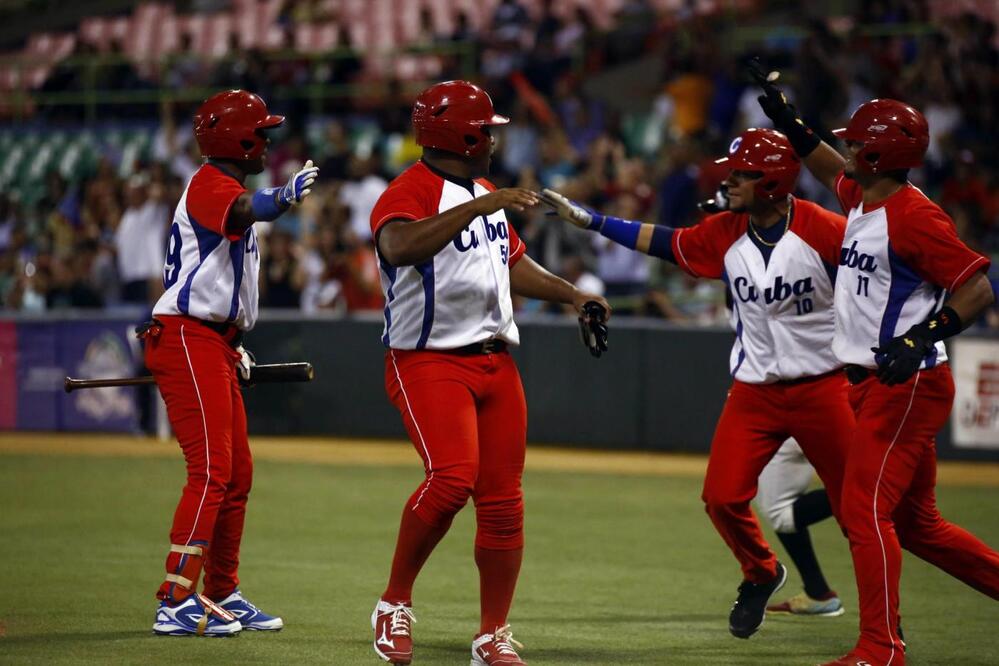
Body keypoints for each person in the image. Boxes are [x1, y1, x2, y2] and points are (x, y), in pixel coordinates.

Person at [541, 128, 854, 640]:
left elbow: (878, 277)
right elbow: (664, 241)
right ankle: (761, 572)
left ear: (773, 180)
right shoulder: (725, 230)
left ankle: (886, 622)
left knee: (855, 512)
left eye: (741, 173)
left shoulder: (826, 230)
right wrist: (594, 221)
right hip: (755, 389)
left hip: (824, 385)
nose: (727, 180)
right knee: (721, 497)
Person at [756, 79, 999, 666]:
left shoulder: (914, 216)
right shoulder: (864, 196)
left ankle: (881, 648)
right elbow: (823, 166)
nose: (845, 153)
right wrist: (791, 121)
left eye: (855, 143)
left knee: (862, 510)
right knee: (920, 526)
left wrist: (924, 336)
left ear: (875, 155)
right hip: (873, 383)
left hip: (906, 384)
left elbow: (977, 287)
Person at [368, 80, 609, 666]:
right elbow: (397, 246)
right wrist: (482, 204)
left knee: (503, 502)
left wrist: (574, 295)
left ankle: (491, 635)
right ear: (465, 133)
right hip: (427, 359)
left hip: (495, 361)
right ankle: (393, 604)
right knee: (452, 480)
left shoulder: (482, 192)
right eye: (489, 129)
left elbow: (512, 265)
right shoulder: (410, 189)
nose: (497, 138)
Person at [142, 89, 319, 636]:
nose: (267, 141)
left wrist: (232, 338)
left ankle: (221, 590)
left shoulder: (219, 185)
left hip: (211, 338)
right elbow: (247, 210)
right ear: (235, 136)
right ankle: (176, 599)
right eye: (260, 132)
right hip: (186, 336)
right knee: (213, 471)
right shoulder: (213, 186)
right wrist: (282, 197)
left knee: (236, 473)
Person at [757, 439, 843, 617]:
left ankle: (872, 489)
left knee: (781, 514)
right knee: (783, 513)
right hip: (792, 420)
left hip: (797, 417)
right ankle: (818, 592)